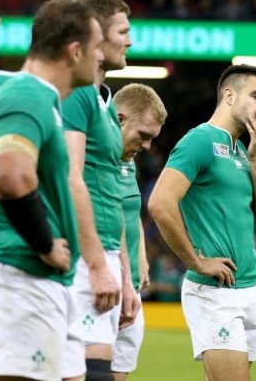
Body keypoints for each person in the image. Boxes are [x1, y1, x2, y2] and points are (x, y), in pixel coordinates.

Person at [0, 0, 104, 381]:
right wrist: (44, 242)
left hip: (32, 281)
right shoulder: (27, 97)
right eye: (97, 52)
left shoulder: (18, 96)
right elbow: (10, 174)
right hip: (21, 277)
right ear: (75, 52)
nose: (100, 62)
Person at [148, 64, 256, 381]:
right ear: (229, 95)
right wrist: (196, 260)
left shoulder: (240, 150)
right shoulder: (200, 140)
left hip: (249, 287)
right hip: (215, 292)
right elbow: (160, 202)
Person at [62, 0, 139, 381]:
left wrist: (125, 275)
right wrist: (95, 264)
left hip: (105, 254)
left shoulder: (102, 100)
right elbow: (70, 176)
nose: (130, 41)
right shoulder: (77, 96)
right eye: (123, 31)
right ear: (95, 33)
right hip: (83, 257)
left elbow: (113, 193)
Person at [111, 83, 167, 380]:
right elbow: (110, 217)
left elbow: (130, 213)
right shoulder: (94, 157)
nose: (147, 146)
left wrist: (141, 257)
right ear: (120, 119)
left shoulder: (127, 162)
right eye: (143, 135)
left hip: (129, 285)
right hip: (107, 285)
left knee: (120, 371)